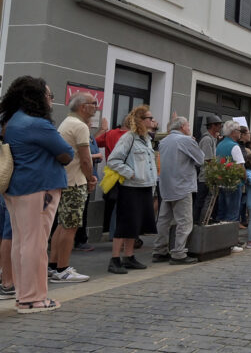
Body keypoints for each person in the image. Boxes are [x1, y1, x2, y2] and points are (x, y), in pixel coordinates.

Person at [1, 76, 74, 313]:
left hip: (18, 188)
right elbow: (66, 153)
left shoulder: (12, 121)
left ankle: (24, 295)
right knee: (35, 244)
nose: (50, 100)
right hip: (38, 187)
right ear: (36, 96)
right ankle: (33, 299)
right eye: (49, 95)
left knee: (22, 243)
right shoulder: (37, 124)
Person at [49, 92, 98, 283]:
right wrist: (90, 178)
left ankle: (53, 266)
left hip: (65, 179)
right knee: (70, 227)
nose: (96, 106)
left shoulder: (67, 122)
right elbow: (85, 159)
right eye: (93, 103)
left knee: (62, 225)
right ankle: (63, 269)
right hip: (75, 181)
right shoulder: (80, 126)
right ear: (83, 107)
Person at [107, 105, 159, 274]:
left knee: (135, 224)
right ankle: (115, 259)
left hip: (144, 186)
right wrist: (131, 174)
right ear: (140, 120)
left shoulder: (146, 138)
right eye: (149, 118)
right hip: (130, 188)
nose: (152, 120)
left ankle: (129, 257)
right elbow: (113, 160)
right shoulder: (128, 138)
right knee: (124, 223)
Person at [153, 116, 204, 265]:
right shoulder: (186, 140)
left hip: (166, 185)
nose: (189, 128)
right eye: (188, 125)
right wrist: (193, 142)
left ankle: (159, 250)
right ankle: (179, 253)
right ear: (182, 127)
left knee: (163, 220)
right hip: (182, 184)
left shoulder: (164, 141)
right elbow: (200, 159)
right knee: (185, 221)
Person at [215, 121, 245, 227]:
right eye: (239, 131)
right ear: (233, 132)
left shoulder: (220, 144)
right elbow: (240, 167)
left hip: (221, 182)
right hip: (234, 184)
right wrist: (245, 179)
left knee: (222, 212)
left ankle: (221, 238)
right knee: (232, 214)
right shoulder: (235, 146)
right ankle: (229, 240)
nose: (240, 133)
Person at [194, 115, 222, 224]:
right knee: (201, 201)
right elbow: (208, 160)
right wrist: (218, 172)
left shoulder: (211, 139)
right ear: (213, 126)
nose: (220, 127)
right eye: (219, 125)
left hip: (208, 175)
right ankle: (196, 222)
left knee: (205, 200)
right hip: (205, 175)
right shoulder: (206, 139)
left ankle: (202, 220)